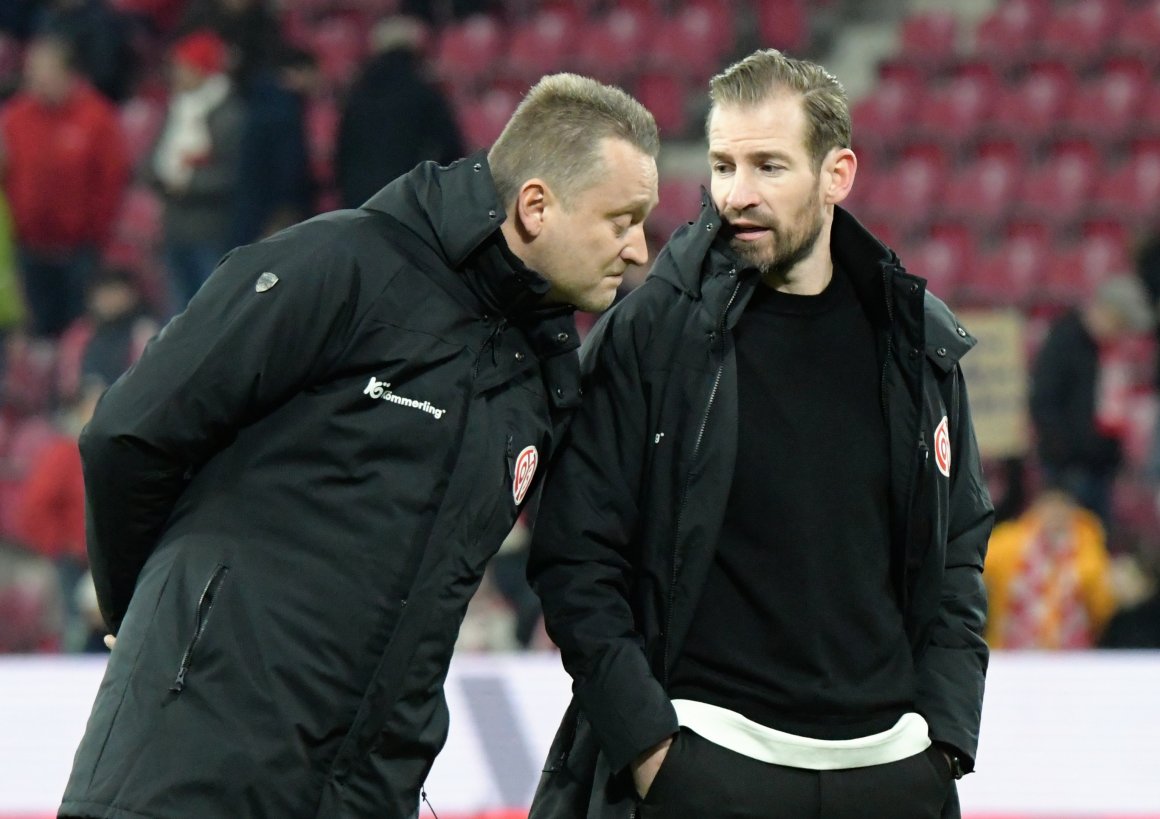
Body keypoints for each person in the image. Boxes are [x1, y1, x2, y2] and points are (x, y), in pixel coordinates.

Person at [58, 72, 658, 819]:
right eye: (622, 220)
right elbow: (129, 432)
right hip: (191, 769)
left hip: (365, 791)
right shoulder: (345, 265)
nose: (637, 250)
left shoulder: (543, 380)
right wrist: (142, 614)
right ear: (536, 206)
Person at [527, 49, 993, 819]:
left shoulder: (917, 340)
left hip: (890, 772)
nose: (736, 195)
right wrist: (652, 753)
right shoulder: (650, 332)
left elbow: (958, 551)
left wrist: (942, 741)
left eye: (769, 166)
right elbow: (575, 557)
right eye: (721, 165)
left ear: (837, 173)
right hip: (705, 762)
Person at [0, 35, 127, 337]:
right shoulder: (15, 116)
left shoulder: (97, 116)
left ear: (67, 72)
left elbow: (111, 181)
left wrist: (94, 231)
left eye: (44, 72)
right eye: (32, 73)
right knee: (37, 331)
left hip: (79, 250)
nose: (36, 81)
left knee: (78, 329)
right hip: (29, 248)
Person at [1029, 275, 1154, 529]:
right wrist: (1062, 455)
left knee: (1097, 541)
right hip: (1069, 469)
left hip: (1099, 467)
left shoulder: (1106, 350)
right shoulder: (1064, 340)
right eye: (1120, 323)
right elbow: (1043, 401)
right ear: (1106, 311)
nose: (1121, 333)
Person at [148, 28, 245, 312]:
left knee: (211, 308)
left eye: (183, 67)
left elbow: (233, 175)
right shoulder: (176, 108)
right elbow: (152, 156)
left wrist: (190, 184)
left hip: (210, 229)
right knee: (177, 309)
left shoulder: (229, 115)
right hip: (174, 227)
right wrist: (157, 176)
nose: (176, 74)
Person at [335, 16, 464, 209]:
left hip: (360, 198)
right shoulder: (425, 93)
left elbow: (343, 151)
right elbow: (450, 148)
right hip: (408, 198)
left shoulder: (358, 94)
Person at [983, 486, 1116, 649]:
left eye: (1061, 508)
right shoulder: (1010, 542)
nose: (1055, 516)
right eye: (1050, 508)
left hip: (1071, 654)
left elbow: (1101, 606)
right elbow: (979, 566)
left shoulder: (1087, 546)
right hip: (1013, 654)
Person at [229, 44, 318, 248]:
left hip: (247, 210)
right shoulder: (284, 110)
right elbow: (288, 166)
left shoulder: (256, 101)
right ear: (297, 72)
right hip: (273, 215)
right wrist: (288, 208)